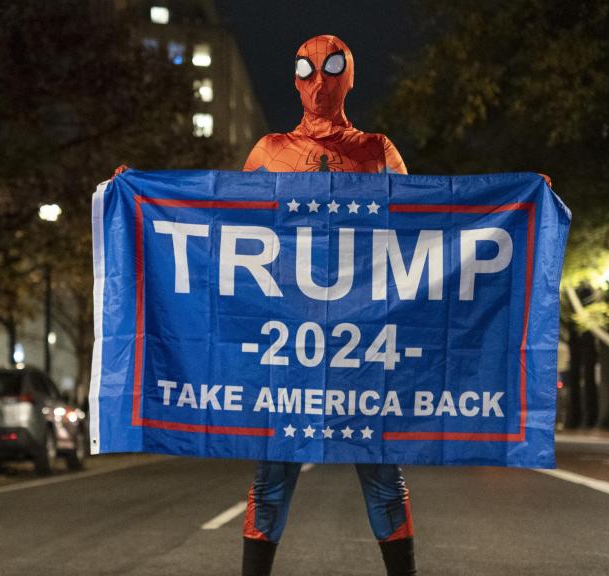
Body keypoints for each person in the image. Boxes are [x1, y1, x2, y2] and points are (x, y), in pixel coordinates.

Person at [239, 35, 415, 576]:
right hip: (290, 341)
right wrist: (139, 198)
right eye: (307, 71)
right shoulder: (269, 151)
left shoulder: (377, 151)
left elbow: (425, 225)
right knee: (271, 479)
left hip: (359, 343)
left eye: (330, 70)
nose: (319, 83)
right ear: (295, 79)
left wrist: (518, 204)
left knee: (383, 478)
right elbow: (222, 224)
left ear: (349, 77)